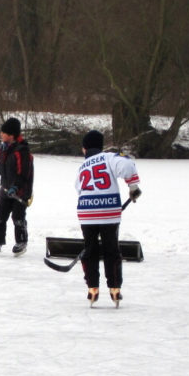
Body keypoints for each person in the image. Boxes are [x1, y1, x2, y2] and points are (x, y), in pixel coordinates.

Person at [76, 130, 141, 307]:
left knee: (90, 250)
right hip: (108, 212)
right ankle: (114, 288)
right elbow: (127, 166)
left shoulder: (82, 166)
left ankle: (92, 288)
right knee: (111, 249)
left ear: (85, 149)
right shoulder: (110, 157)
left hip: (86, 213)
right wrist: (133, 187)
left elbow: (78, 188)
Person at [0, 117, 34, 256]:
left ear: (11, 135)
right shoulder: (3, 148)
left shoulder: (22, 151)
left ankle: (21, 242)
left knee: (18, 218)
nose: (1, 135)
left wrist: (16, 187)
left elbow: (23, 173)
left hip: (20, 191)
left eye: (3, 133)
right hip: (6, 189)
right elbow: (0, 163)